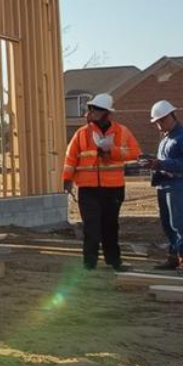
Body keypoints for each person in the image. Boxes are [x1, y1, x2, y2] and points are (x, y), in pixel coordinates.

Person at [62, 93, 142, 272]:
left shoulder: (122, 131)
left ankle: (113, 261)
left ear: (106, 113)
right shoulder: (81, 134)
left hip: (113, 189)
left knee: (110, 226)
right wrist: (67, 179)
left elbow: (135, 152)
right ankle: (89, 263)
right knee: (91, 227)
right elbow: (70, 158)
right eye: (91, 109)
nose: (90, 113)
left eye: (94, 110)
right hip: (88, 189)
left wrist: (112, 151)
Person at [141, 100, 183, 273]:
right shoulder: (166, 138)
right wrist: (154, 163)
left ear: (171, 116)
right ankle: (175, 256)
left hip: (178, 184)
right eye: (157, 122)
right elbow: (167, 161)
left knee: (179, 223)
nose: (159, 125)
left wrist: (161, 164)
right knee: (168, 224)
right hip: (164, 185)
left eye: (161, 121)